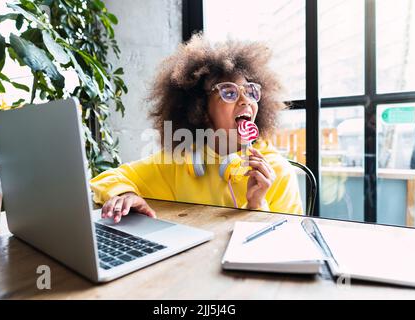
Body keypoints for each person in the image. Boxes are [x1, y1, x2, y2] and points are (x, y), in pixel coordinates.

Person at [89, 34, 303, 223]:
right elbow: (106, 179)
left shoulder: (277, 172)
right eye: (229, 93)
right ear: (200, 110)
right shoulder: (180, 162)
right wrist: (126, 194)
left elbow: (292, 247)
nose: (245, 100)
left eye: (251, 91)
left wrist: (257, 206)